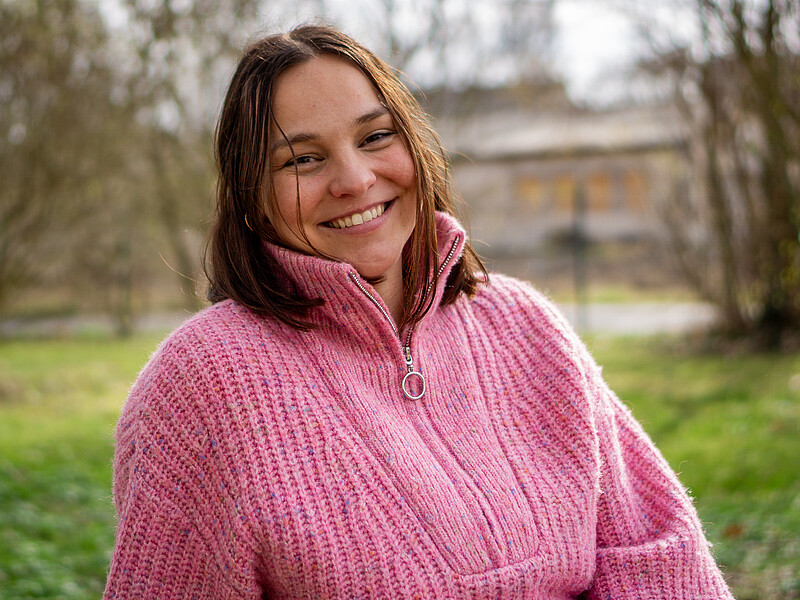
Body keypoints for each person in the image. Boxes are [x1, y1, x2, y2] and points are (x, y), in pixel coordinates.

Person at [103, 24, 735, 600]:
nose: (354, 179)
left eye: (376, 137)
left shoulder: (525, 327)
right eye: (302, 158)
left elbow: (660, 560)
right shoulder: (200, 386)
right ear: (252, 199)